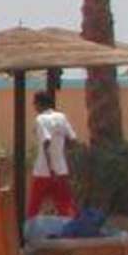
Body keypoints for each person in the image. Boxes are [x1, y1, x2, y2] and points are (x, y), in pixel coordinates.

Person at [30, 91, 78, 219]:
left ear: (40, 104)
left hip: (43, 171)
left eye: (35, 104)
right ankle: (68, 228)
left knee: (34, 206)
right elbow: (72, 139)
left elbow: (46, 142)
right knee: (64, 206)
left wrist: (51, 169)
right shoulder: (62, 117)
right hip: (61, 170)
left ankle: (29, 229)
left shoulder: (40, 119)